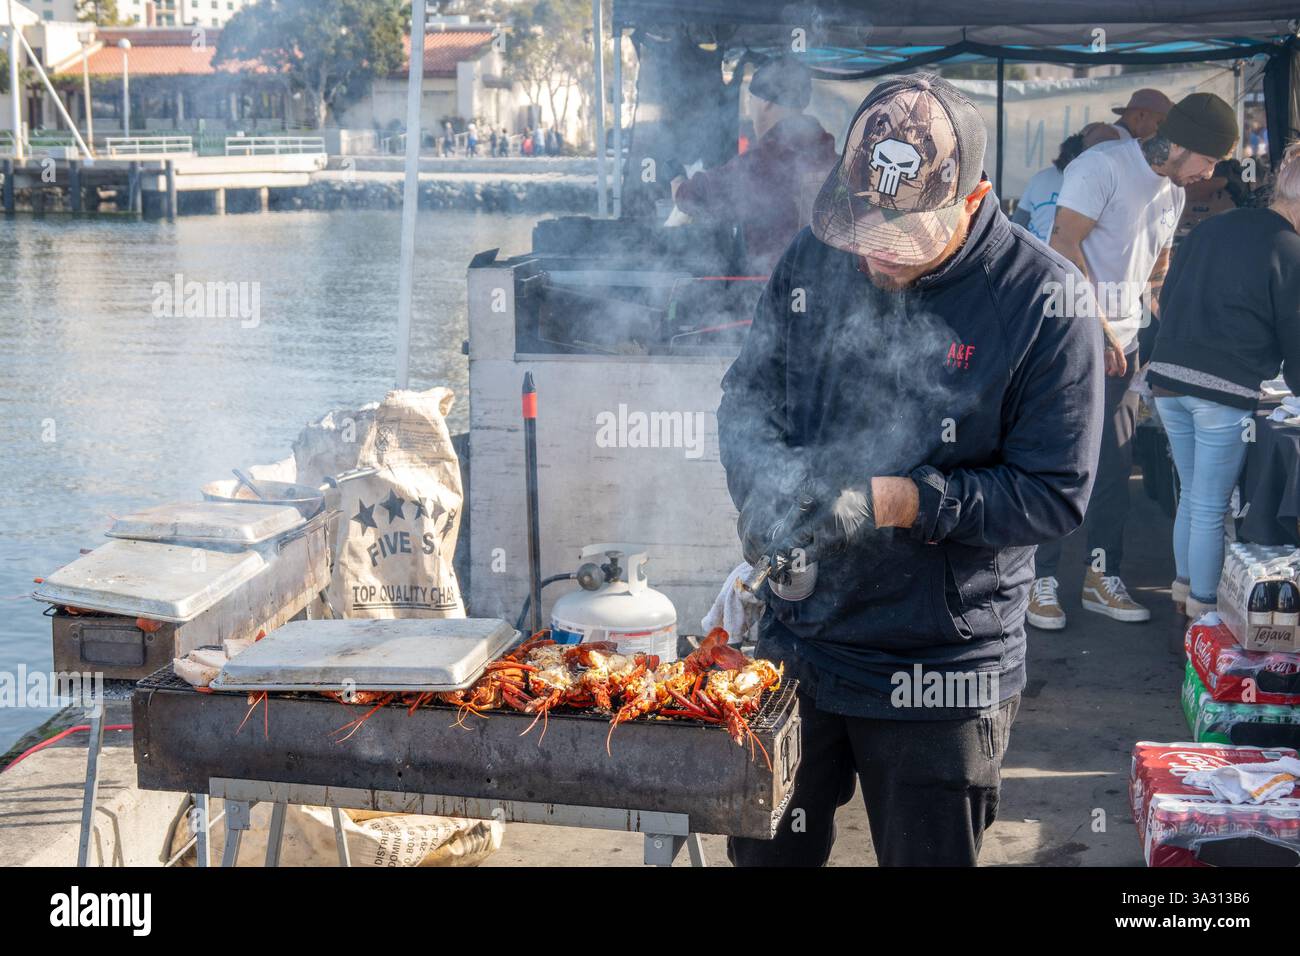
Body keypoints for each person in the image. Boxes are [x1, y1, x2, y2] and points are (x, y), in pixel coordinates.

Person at [718, 73, 1104, 867]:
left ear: (973, 200)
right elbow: (747, 393)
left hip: (943, 668)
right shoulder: (817, 255)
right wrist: (760, 492)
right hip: (801, 639)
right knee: (763, 855)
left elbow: (1053, 494)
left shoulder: (1043, 301)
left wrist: (902, 502)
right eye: (859, 226)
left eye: (899, 239)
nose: (870, 254)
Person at [1031, 92, 1238, 630]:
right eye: (1210, 161)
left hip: (1126, 345)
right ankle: (1039, 580)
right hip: (1067, 337)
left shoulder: (1173, 190)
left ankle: (1103, 575)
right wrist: (1096, 326)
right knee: (1058, 461)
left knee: (1114, 466)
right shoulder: (1101, 166)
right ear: (1186, 144)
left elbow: (1156, 264)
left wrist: (1162, 322)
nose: (1210, 174)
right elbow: (1062, 245)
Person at [1147, 143, 1300, 619]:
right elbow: (1295, 333)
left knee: (1194, 497)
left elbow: (1167, 296)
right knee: (1211, 505)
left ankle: (1183, 596)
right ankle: (1205, 614)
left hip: (1167, 377)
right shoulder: (1288, 248)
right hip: (1219, 390)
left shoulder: (1213, 227)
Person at [672, 56, 838, 274]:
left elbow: (693, 197)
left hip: (777, 294)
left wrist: (677, 183)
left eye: (750, 100)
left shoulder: (760, 164)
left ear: (765, 102)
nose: (750, 111)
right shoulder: (835, 161)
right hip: (833, 295)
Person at [1011, 123, 1117, 243]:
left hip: (1035, 254)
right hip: (1058, 256)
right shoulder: (1094, 182)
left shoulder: (1040, 177)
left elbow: (1017, 224)